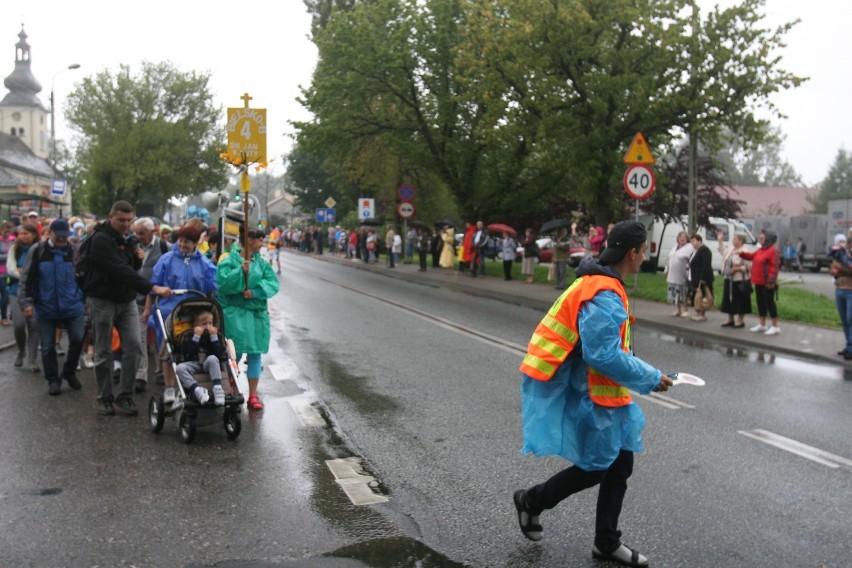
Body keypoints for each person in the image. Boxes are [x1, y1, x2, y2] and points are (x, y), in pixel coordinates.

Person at [514, 220, 673, 568]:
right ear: (632, 252)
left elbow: (609, 349)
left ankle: (605, 541)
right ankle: (532, 500)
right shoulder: (602, 292)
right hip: (594, 395)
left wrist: (645, 374)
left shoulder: (601, 283)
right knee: (596, 468)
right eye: (644, 250)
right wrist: (650, 377)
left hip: (605, 392)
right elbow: (603, 355)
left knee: (618, 465)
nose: (645, 257)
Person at [85, 201, 172, 416]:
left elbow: (130, 268)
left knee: (134, 346)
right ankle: (104, 397)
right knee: (104, 350)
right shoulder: (100, 240)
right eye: (121, 220)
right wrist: (152, 287)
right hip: (102, 300)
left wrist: (136, 259)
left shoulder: (129, 239)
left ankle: (125, 395)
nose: (125, 224)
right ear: (110, 217)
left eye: (128, 220)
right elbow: (118, 270)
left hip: (126, 301)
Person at [141, 225, 218, 408]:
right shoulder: (166, 260)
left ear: (196, 243)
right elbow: (152, 287)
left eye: (188, 242)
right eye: (181, 241)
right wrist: (147, 309)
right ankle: (169, 387)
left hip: (195, 313)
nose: (183, 245)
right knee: (170, 349)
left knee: (194, 349)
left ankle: (192, 385)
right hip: (169, 312)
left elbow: (213, 288)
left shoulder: (204, 264)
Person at [18, 219, 85, 395]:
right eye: (59, 236)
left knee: (78, 339)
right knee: (47, 346)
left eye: (65, 236)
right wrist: (26, 302)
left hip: (72, 304)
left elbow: (83, 276)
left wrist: (84, 299)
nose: (63, 240)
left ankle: (69, 371)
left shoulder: (74, 250)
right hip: (46, 305)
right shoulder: (38, 250)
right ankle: (53, 380)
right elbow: (26, 278)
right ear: (51, 233)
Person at [216, 228, 280, 410]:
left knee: (255, 355)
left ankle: (253, 395)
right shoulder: (229, 259)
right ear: (250, 240)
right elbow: (223, 282)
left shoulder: (261, 262)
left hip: (257, 315)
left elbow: (272, 283)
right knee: (235, 354)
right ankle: (233, 391)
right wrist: (239, 271)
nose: (263, 244)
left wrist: (255, 292)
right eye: (260, 240)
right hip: (235, 314)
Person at [131, 217, 170, 393]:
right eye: (136, 233)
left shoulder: (163, 247)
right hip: (137, 300)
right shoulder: (132, 246)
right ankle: (141, 375)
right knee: (139, 339)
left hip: (159, 301)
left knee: (159, 338)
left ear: (152, 231)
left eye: (142, 233)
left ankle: (161, 371)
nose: (138, 236)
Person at [7, 223, 40, 371]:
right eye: (22, 233)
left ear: (34, 234)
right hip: (16, 292)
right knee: (19, 325)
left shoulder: (40, 248)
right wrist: (26, 275)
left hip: (35, 293)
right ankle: (21, 351)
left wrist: (26, 273)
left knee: (34, 326)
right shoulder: (15, 249)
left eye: (27, 233)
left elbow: (41, 270)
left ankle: (32, 360)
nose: (23, 236)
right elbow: (11, 269)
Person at [174, 310, 225, 405]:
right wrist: (196, 336)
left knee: (213, 358)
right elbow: (188, 353)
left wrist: (214, 337)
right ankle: (197, 390)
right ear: (196, 325)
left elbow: (219, 354)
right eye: (204, 324)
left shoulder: (214, 335)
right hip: (194, 363)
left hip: (208, 363)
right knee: (179, 368)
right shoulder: (189, 336)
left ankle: (217, 388)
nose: (208, 326)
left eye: (210, 323)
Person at [739, 228, 781, 335]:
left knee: (769, 303)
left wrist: (771, 281)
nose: (759, 237)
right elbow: (751, 256)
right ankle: (762, 324)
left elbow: (775, 267)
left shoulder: (773, 250)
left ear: (768, 238)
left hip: (767, 282)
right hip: (758, 281)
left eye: (762, 236)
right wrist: (741, 253)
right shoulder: (761, 249)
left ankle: (775, 326)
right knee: (760, 303)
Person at [718, 231, 752, 328]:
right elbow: (723, 252)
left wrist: (737, 268)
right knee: (729, 299)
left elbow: (749, 266)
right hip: (729, 278)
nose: (733, 240)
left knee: (740, 300)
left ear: (741, 241)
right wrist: (720, 240)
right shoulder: (731, 249)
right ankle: (730, 319)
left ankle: (740, 320)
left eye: (735, 238)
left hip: (740, 280)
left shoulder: (745, 251)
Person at [829, 233, 852, 359]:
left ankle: (851, 348)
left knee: (850, 319)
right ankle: (848, 345)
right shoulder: (841, 253)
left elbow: (847, 268)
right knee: (844, 320)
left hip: (850, 290)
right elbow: (832, 268)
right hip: (839, 288)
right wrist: (833, 271)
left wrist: (841, 269)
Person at [663, 231, 692, 317]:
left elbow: (691, 260)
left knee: (683, 292)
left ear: (687, 239)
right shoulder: (675, 246)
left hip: (682, 274)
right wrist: (666, 269)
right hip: (672, 274)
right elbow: (669, 259)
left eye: (684, 237)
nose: (682, 239)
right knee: (675, 292)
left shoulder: (689, 247)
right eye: (680, 237)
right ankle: (678, 309)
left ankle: (685, 310)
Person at [687, 233, 713, 322]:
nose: (692, 243)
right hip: (695, 277)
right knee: (697, 296)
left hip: (702, 279)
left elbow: (706, 265)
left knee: (702, 296)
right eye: (691, 242)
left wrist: (703, 278)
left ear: (700, 241)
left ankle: (702, 314)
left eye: (694, 241)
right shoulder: (696, 251)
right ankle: (698, 313)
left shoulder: (705, 250)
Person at [0, 221, 13, 325]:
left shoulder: (13, 241)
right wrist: (8, 256)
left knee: (10, 295)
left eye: (8, 232)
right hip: (1, 273)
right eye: (5, 231)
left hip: (11, 272)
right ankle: (4, 316)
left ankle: (12, 314)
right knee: (4, 295)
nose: (7, 234)